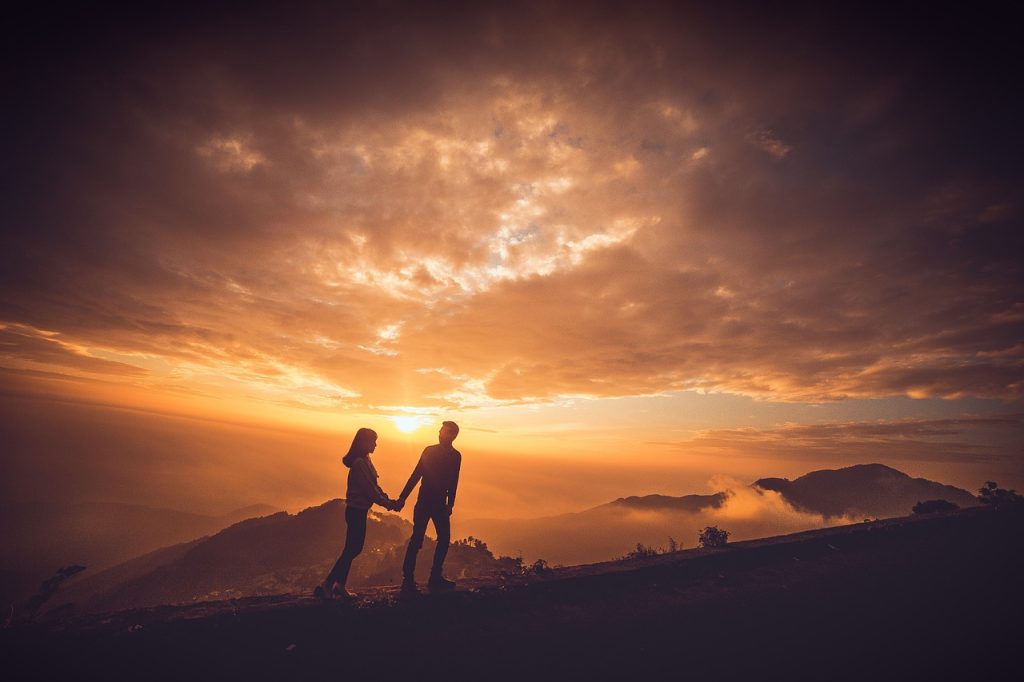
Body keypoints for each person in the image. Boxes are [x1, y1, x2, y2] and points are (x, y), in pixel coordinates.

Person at [316, 427, 398, 600]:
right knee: (353, 548)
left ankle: (339, 585)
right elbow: (370, 490)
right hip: (355, 511)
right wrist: (388, 504)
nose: (376, 444)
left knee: (352, 548)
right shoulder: (360, 463)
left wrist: (388, 500)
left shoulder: (365, 460)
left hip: (358, 511)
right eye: (373, 441)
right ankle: (328, 583)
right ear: (364, 442)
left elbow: (374, 486)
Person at [395, 421, 462, 594]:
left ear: (452, 435)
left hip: (437, 503)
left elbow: (454, 480)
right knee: (417, 540)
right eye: (440, 430)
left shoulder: (455, 456)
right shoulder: (430, 450)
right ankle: (408, 580)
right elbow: (416, 474)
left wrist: (450, 503)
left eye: (443, 431)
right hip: (425, 502)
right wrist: (402, 497)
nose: (439, 432)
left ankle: (434, 578)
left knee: (443, 539)